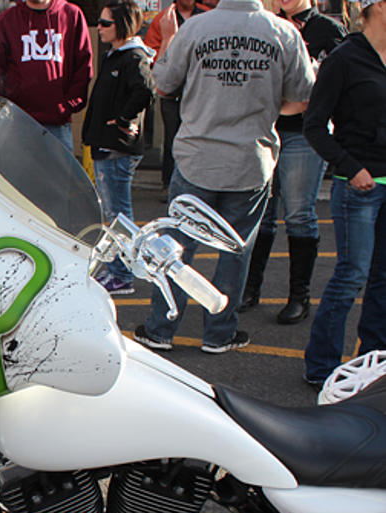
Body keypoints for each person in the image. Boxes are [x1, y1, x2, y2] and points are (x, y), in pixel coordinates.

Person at [132, 0, 315, 354]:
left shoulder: (196, 28)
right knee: (235, 252)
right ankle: (219, 333)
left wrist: (170, 40)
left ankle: (160, 329)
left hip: (197, 157)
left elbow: (163, 84)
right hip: (250, 160)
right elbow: (304, 94)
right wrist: (265, 104)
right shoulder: (283, 32)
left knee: (175, 249)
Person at [240, 0, 346, 324]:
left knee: (299, 215)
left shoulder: (327, 30)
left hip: (305, 134)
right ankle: (250, 289)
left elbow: (340, 82)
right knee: (264, 216)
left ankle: (299, 297)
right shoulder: (266, 25)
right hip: (267, 131)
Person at [302, 0, 386, 386]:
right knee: (351, 276)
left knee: (382, 278)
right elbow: (314, 126)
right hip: (359, 188)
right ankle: (321, 368)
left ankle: (371, 366)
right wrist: (352, 169)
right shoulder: (345, 58)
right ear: (374, 8)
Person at [82, 0, 156, 296]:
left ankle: (124, 275)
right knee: (115, 212)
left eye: (105, 23)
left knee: (118, 214)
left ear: (123, 25)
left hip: (116, 147)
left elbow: (145, 90)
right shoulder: (117, 55)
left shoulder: (132, 56)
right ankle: (120, 271)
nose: (99, 28)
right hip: (107, 144)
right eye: (99, 22)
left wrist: (123, 119)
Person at [0, 0, 93, 152]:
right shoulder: (6, 21)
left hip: (57, 126)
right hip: (17, 126)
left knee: (58, 175)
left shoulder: (71, 15)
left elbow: (83, 66)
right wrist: (2, 111)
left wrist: (68, 105)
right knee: (17, 175)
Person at [143, 0, 210, 193]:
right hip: (171, 92)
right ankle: (168, 183)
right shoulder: (163, 19)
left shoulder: (206, 16)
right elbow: (151, 56)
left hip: (199, 91)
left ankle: (197, 185)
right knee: (173, 138)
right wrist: (168, 40)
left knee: (198, 138)